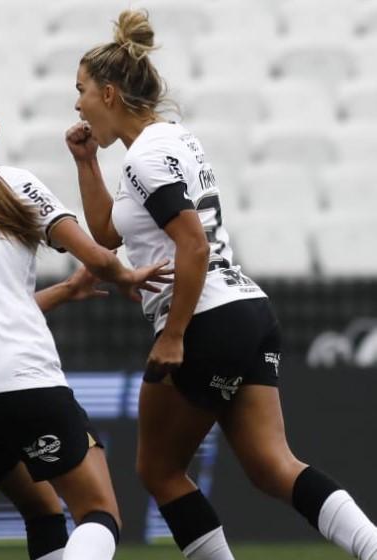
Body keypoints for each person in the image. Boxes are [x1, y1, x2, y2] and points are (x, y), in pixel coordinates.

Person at [67, 10, 377, 560]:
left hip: (204, 318)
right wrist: (86, 162)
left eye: (82, 90)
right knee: (272, 466)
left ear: (110, 94)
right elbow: (108, 233)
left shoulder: (144, 158)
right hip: (247, 311)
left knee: (158, 470)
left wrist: (174, 335)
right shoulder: (174, 141)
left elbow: (193, 245)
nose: (77, 103)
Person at [0, 72, 171, 560]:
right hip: (21, 381)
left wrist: (67, 291)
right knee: (98, 513)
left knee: (43, 511)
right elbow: (97, 254)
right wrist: (125, 276)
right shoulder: (14, 185)